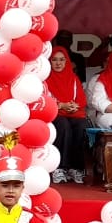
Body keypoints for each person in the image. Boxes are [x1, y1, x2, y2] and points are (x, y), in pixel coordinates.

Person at [47, 45, 88, 184]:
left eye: (62, 60)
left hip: (73, 113)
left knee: (81, 125)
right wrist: (61, 105)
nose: (58, 63)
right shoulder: (45, 78)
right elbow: (43, 98)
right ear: (49, 61)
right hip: (53, 113)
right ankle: (60, 167)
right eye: (54, 60)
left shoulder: (73, 77)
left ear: (67, 61)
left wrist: (74, 106)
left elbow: (81, 99)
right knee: (63, 125)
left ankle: (76, 168)